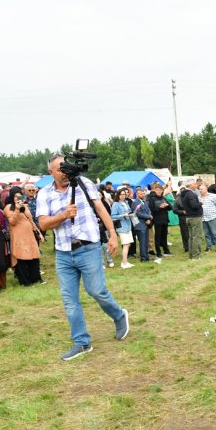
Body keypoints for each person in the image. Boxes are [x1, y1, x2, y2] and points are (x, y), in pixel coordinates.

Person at [36, 153, 130, 360]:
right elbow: (42, 224)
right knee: (70, 301)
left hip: (88, 248)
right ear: (50, 172)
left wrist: (113, 235)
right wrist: (63, 215)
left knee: (96, 291)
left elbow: (100, 208)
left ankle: (118, 314)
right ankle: (82, 342)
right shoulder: (44, 194)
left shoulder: (83, 183)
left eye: (66, 166)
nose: (64, 171)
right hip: (63, 253)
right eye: (59, 168)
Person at [3, 187, 45, 286]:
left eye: (19, 196)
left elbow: (31, 220)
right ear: (12, 197)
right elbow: (12, 222)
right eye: (16, 196)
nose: (18, 198)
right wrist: (17, 208)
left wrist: (38, 232)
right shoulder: (8, 207)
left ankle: (36, 278)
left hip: (29, 235)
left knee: (34, 256)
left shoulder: (25, 206)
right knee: (21, 258)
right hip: (18, 236)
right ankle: (24, 281)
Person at [110, 188, 135, 269]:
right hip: (121, 226)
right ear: (118, 195)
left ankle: (125, 261)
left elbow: (129, 211)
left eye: (124, 194)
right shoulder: (115, 204)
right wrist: (123, 215)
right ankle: (124, 263)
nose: (123, 196)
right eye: (121, 194)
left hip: (128, 225)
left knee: (128, 244)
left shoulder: (126, 202)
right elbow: (113, 216)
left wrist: (131, 213)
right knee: (125, 244)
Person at [148, 183, 172, 258]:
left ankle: (166, 250)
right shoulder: (152, 199)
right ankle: (158, 252)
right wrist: (160, 207)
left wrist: (167, 206)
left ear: (162, 191)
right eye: (158, 190)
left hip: (165, 219)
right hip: (157, 220)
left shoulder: (164, 198)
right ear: (155, 190)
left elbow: (171, 207)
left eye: (161, 190)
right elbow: (152, 210)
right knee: (158, 237)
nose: (159, 191)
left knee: (164, 236)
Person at [182, 181, 204, 259]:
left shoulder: (184, 194)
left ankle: (191, 255)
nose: (196, 185)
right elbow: (194, 205)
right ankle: (196, 255)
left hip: (188, 217)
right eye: (194, 184)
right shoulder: (191, 194)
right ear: (190, 185)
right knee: (196, 237)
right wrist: (201, 203)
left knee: (191, 237)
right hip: (195, 217)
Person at [131, 187, 154, 263]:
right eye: (142, 194)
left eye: (144, 193)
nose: (143, 195)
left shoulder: (144, 202)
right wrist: (148, 217)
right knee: (142, 242)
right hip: (140, 225)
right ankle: (143, 258)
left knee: (146, 241)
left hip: (146, 224)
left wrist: (148, 218)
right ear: (137, 194)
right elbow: (138, 213)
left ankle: (146, 255)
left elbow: (148, 210)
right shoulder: (135, 203)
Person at [199, 184, 216, 252]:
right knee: (206, 234)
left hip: (212, 217)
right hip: (203, 217)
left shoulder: (212, 196)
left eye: (201, 189)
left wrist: (214, 212)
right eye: (199, 189)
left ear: (206, 189)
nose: (200, 190)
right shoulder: (198, 197)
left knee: (215, 233)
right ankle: (209, 247)